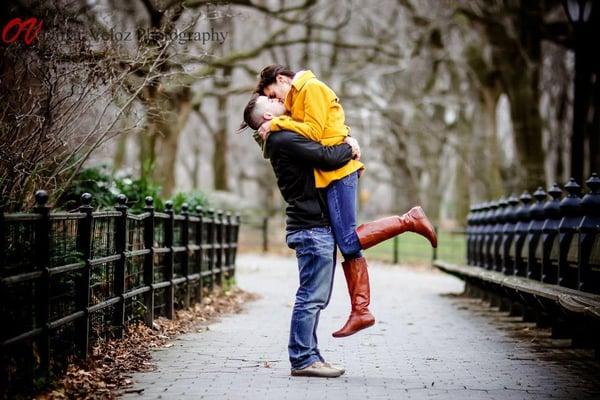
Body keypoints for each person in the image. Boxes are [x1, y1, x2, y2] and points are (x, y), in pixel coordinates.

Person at [242, 94, 438, 376]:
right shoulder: (283, 139)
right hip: (311, 229)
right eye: (271, 100)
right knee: (311, 298)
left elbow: (318, 141)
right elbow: (325, 156)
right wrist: (350, 146)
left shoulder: (282, 136)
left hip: (313, 228)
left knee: (315, 295)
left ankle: (312, 355)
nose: (278, 99)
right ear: (268, 117)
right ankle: (303, 359)